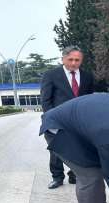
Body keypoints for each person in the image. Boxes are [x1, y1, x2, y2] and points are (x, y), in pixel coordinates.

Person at [40, 46, 94, 189]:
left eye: (77, 60)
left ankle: (74, 175)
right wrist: (52, 119)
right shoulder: (51, 75)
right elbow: (46, 100)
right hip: (58, 120)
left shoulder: (87, 76)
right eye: (70, 59)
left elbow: (90, 100)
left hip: (80, 121)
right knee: (57, 150)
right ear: (63, 58)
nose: (74, 63)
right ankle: (57, 177)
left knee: (78, 149)